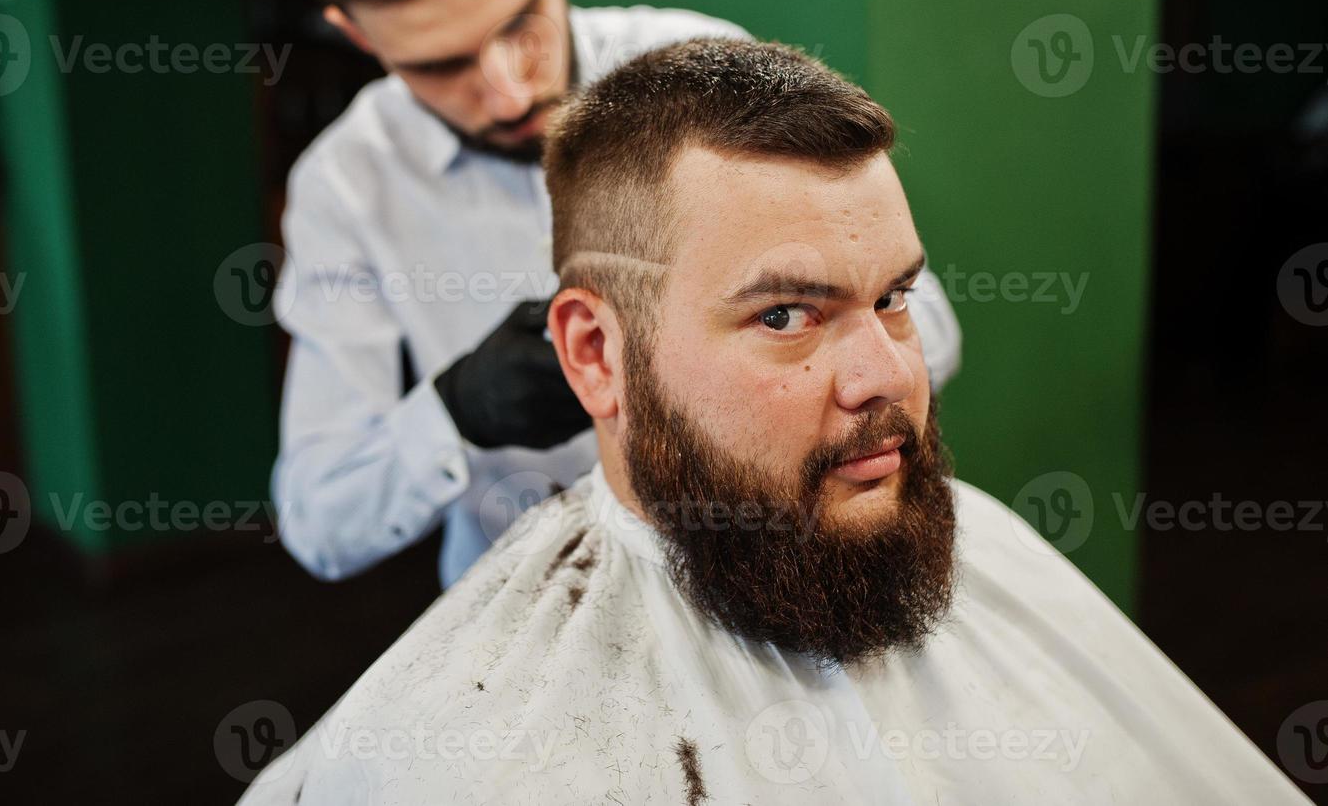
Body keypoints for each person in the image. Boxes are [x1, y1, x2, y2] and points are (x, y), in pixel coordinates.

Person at [239, 39, 1305, 804]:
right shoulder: (461, 751)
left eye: (893, 295)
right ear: (596, 354)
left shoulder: (991, 551)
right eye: (787, 314)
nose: (888, 372)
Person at [272, 0, 962, 588]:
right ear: (353, 32)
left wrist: (741, 354)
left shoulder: (704, 83)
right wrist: (454, 413)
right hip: (530, 604)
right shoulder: (346, 186)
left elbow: (926, 327)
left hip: (767, 568)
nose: (507, 92)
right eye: (440, 66)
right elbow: (318, 521)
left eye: (517, 24)